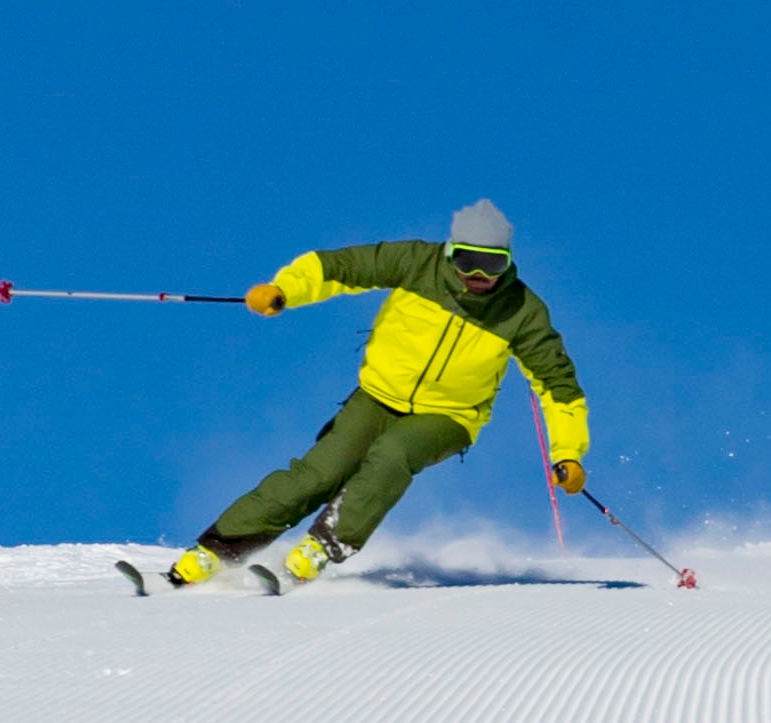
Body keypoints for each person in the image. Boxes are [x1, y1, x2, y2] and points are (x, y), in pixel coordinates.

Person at [165, 200, 591, 586]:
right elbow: (340, 267)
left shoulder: (522, 309)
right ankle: (216, 551)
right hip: (376, 395)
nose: (478, 276)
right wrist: (284, 290)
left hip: (449, 416)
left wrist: (567, 453)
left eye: (491, 265)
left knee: (392, 455)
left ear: (508, 262)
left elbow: (558, 384)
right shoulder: (414, 262)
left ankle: (322, 547)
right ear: (449, 252)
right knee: (319, 473)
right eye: (468, 261)